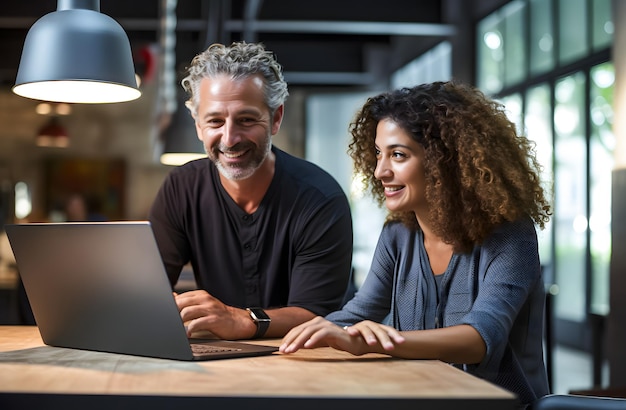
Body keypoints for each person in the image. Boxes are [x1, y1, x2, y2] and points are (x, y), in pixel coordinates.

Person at [279, 81, 552, 408]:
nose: (380, 170)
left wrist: (375, 342)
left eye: (397, 155)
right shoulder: (398, 234)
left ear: (444, 161)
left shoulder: (511, 234)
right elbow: (359, 312)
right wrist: (307, 335)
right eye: (379, 154)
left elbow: (480, 338)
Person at [148, 42, 353, 341]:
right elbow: (148, 289)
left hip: (311, 359)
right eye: (215, 121)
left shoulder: (320, 199)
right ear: (197, 125)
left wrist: (240, 319)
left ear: (276, 118)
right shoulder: (180, 188)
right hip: (219, 357)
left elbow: (315, 313)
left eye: (246, 120)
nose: (230, 139)